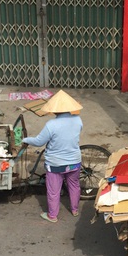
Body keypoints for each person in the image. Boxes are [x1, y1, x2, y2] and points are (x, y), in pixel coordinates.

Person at [23, 90, 83, 223]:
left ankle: (52, 215)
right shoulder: (78, 120)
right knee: (74, 185)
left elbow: (39, 142)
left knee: (54, 191)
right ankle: (74, 209)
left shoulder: (51, 125)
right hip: (75, 161)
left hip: (56, 164)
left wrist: (26, 140)